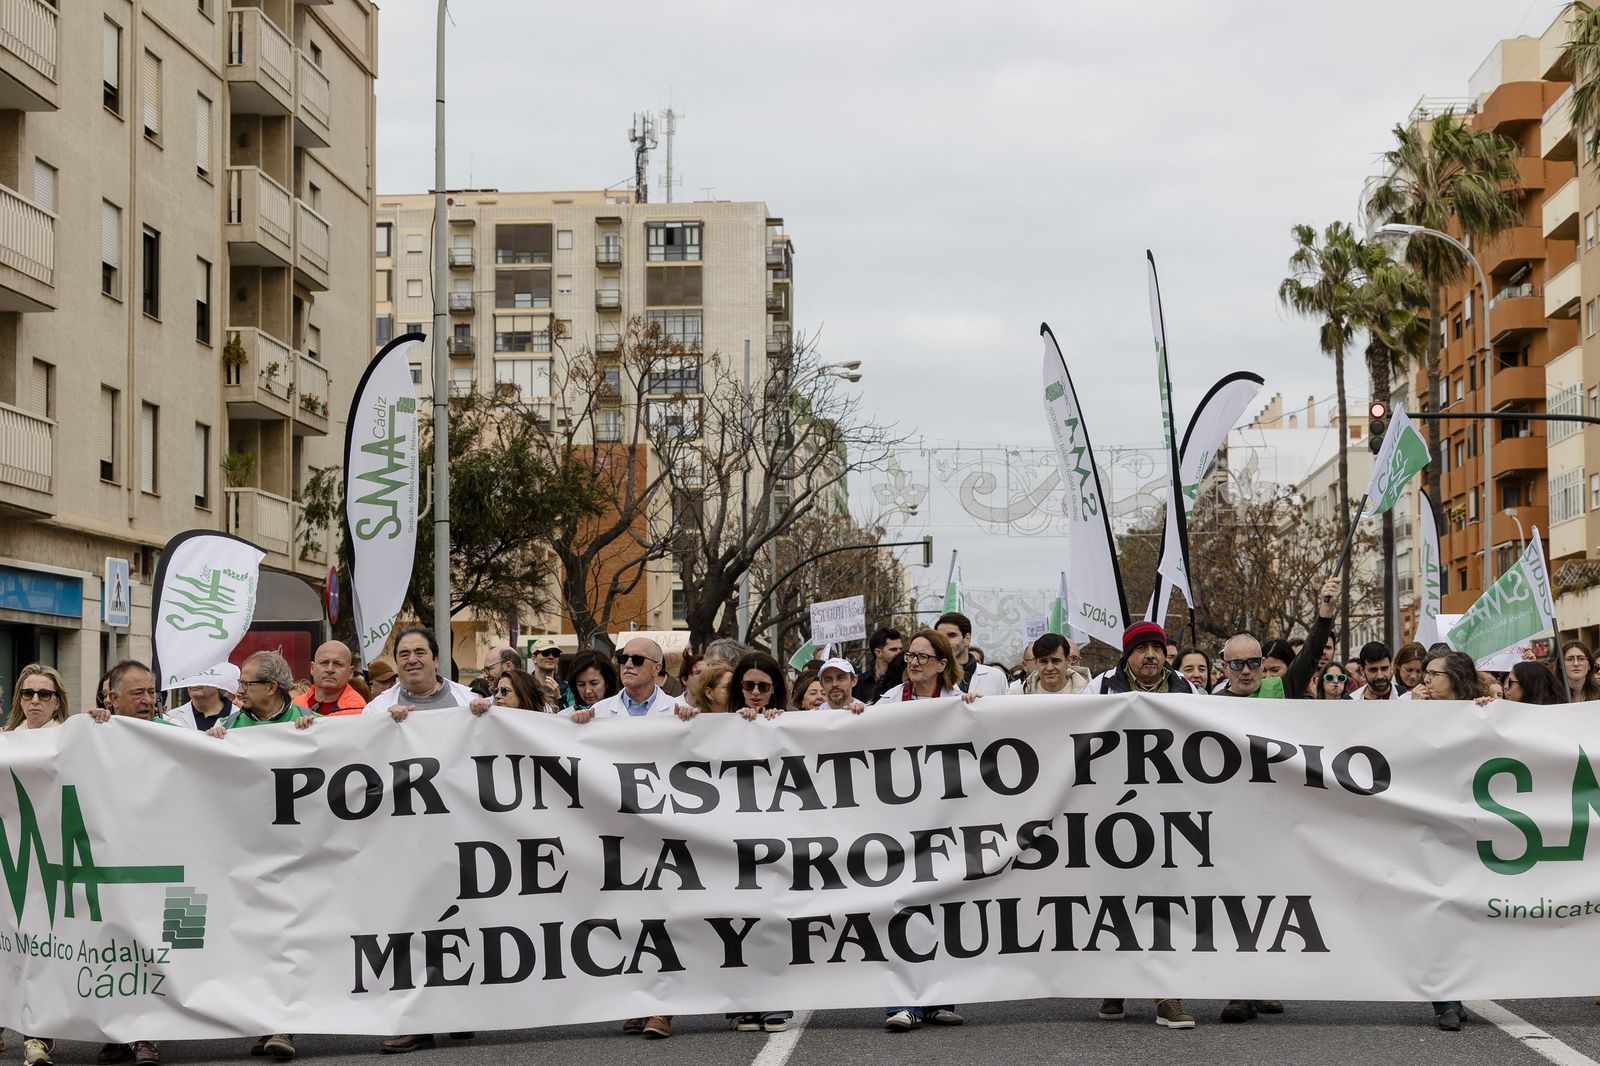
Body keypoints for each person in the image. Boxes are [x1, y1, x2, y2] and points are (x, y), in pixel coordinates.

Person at [363, 627, 477, 722]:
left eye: (420, 653)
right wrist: (383, 723)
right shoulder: (376, 710)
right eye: (404, 654)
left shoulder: (469, 701)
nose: (412, 660)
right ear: (396, 663)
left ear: (436, 660)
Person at [573, 638, 678, 723]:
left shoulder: (679, 712)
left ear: (656, 668)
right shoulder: (598, 711)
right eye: (623, 658)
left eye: (637, 660)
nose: (628, 665)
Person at [209, 652, 316, 735]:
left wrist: (314, 731)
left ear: (271, 687)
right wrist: (214, 743)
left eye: (246, 684)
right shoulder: (226, 726)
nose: (239, 691)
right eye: (241, 683)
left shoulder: (313, 722)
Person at [1084, 623, 1196, 695]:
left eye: (1157, 648)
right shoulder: (1101, 686)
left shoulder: (1186, 686)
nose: (1150, 655)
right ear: (1127, 654)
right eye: (1141, 648)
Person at [934, 613, 1009, 695]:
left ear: (967, 639)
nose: (945, 642)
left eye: (952, 635)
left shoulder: (996, 677)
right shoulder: (932, 678)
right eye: (940, 637)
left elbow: (1006, 707)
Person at [294, 640, 367, 717]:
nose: (330, 669)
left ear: (350, 672)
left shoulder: (360, 713)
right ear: (312, 668)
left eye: (338, 664)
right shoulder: (294, 706)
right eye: (324, 663)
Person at [1009, 634, 1089, 695]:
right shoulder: (1018, 695)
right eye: (1044, 661)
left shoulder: (1088, 693)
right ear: (1036, 662)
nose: (1049, 668)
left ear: (1068, 661)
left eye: (1055, 661)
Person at [167, 669, 238, 731]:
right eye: (191, 676)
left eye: (201, 675)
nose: (193, 681)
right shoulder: (172, 717)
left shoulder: (239, 717)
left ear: (219, 683)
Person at [728, 652, 789, 720]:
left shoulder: (789, 717)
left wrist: (780, 719)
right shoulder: (723, 717)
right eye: (749, 685)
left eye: (763, 686)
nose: (755, 692)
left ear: (773, 688)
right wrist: (736, 719)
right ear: (741, 686)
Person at [5, 665, 68, 731]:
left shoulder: (68, 738)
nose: (35, 701)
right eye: (28, 693)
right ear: (20, 700)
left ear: (57, 703)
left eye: (44, 694)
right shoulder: (6, 737)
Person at [468, 668, 548, 716]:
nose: (497, 696)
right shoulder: (492, 718)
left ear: (523, 694)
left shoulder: (544, 724)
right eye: (496, 691)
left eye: (504, 690)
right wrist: (478, 707)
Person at [854, 627, 902, 703]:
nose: (899, 653)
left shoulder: (904, 681)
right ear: (878, 652)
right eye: (893, 649)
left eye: (900, 649)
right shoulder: (858, 683)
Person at [527, 637, 573, 709]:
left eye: (555, 653)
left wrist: (559, 697)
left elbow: (570, 715)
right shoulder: (524, 686)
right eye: (545, 653)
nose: (551, 657)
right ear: (534, 658)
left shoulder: (567, 688)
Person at [1496, 661, 1565, 705]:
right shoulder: (1508, 713)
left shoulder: (1555, 715)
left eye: (1510, 682)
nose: (1505, 687)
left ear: (1527, 685)